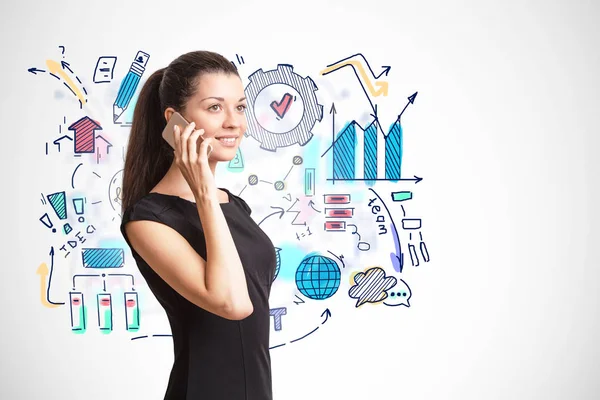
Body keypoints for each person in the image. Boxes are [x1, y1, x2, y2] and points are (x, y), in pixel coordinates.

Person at [119, 50, 276, 399]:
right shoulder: (148, 220)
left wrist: (209, 193)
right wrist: (203, 188)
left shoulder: (233, 205)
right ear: (175, 121)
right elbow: (233, 304)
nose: (234, 122)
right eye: (215, 107)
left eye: (240, 107)